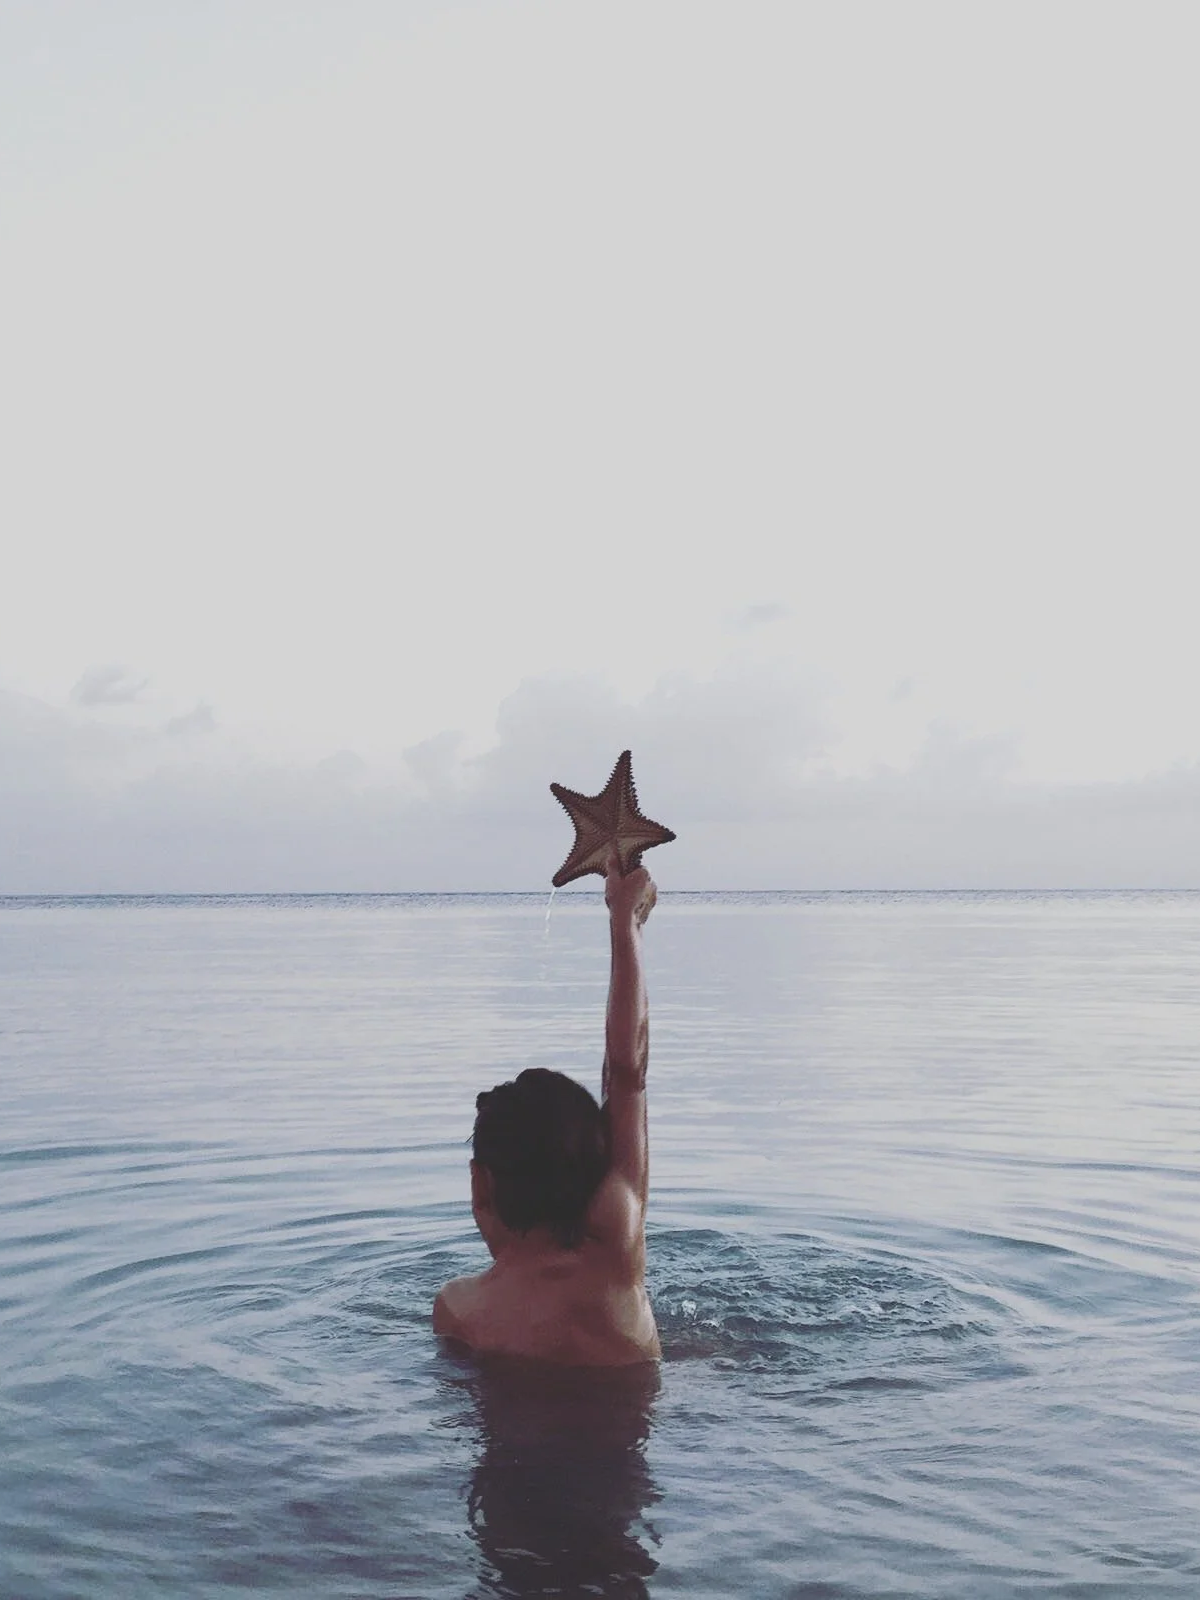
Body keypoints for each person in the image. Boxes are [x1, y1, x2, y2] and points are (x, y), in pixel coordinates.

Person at [433, 852, 661, 1365]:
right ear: (598, 1169)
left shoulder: (457, 1310)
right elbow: (627, 1075)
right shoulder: (615, 1259)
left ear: (479, 1183)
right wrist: (625, 921)